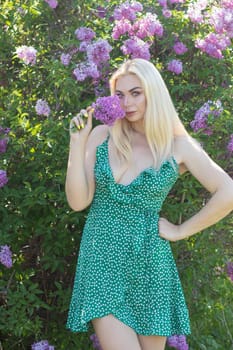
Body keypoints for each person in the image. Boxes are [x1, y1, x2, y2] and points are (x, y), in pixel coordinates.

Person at [65, 58, 233, 350]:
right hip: (102, 261)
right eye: (120, 94)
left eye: (136, 93)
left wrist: (181, 231)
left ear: (153, 93)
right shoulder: (102, 135)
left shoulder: (177, 147)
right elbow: (79, 202)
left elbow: (227, 192)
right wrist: (77, 143)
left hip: (150, 265)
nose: (127, 102)